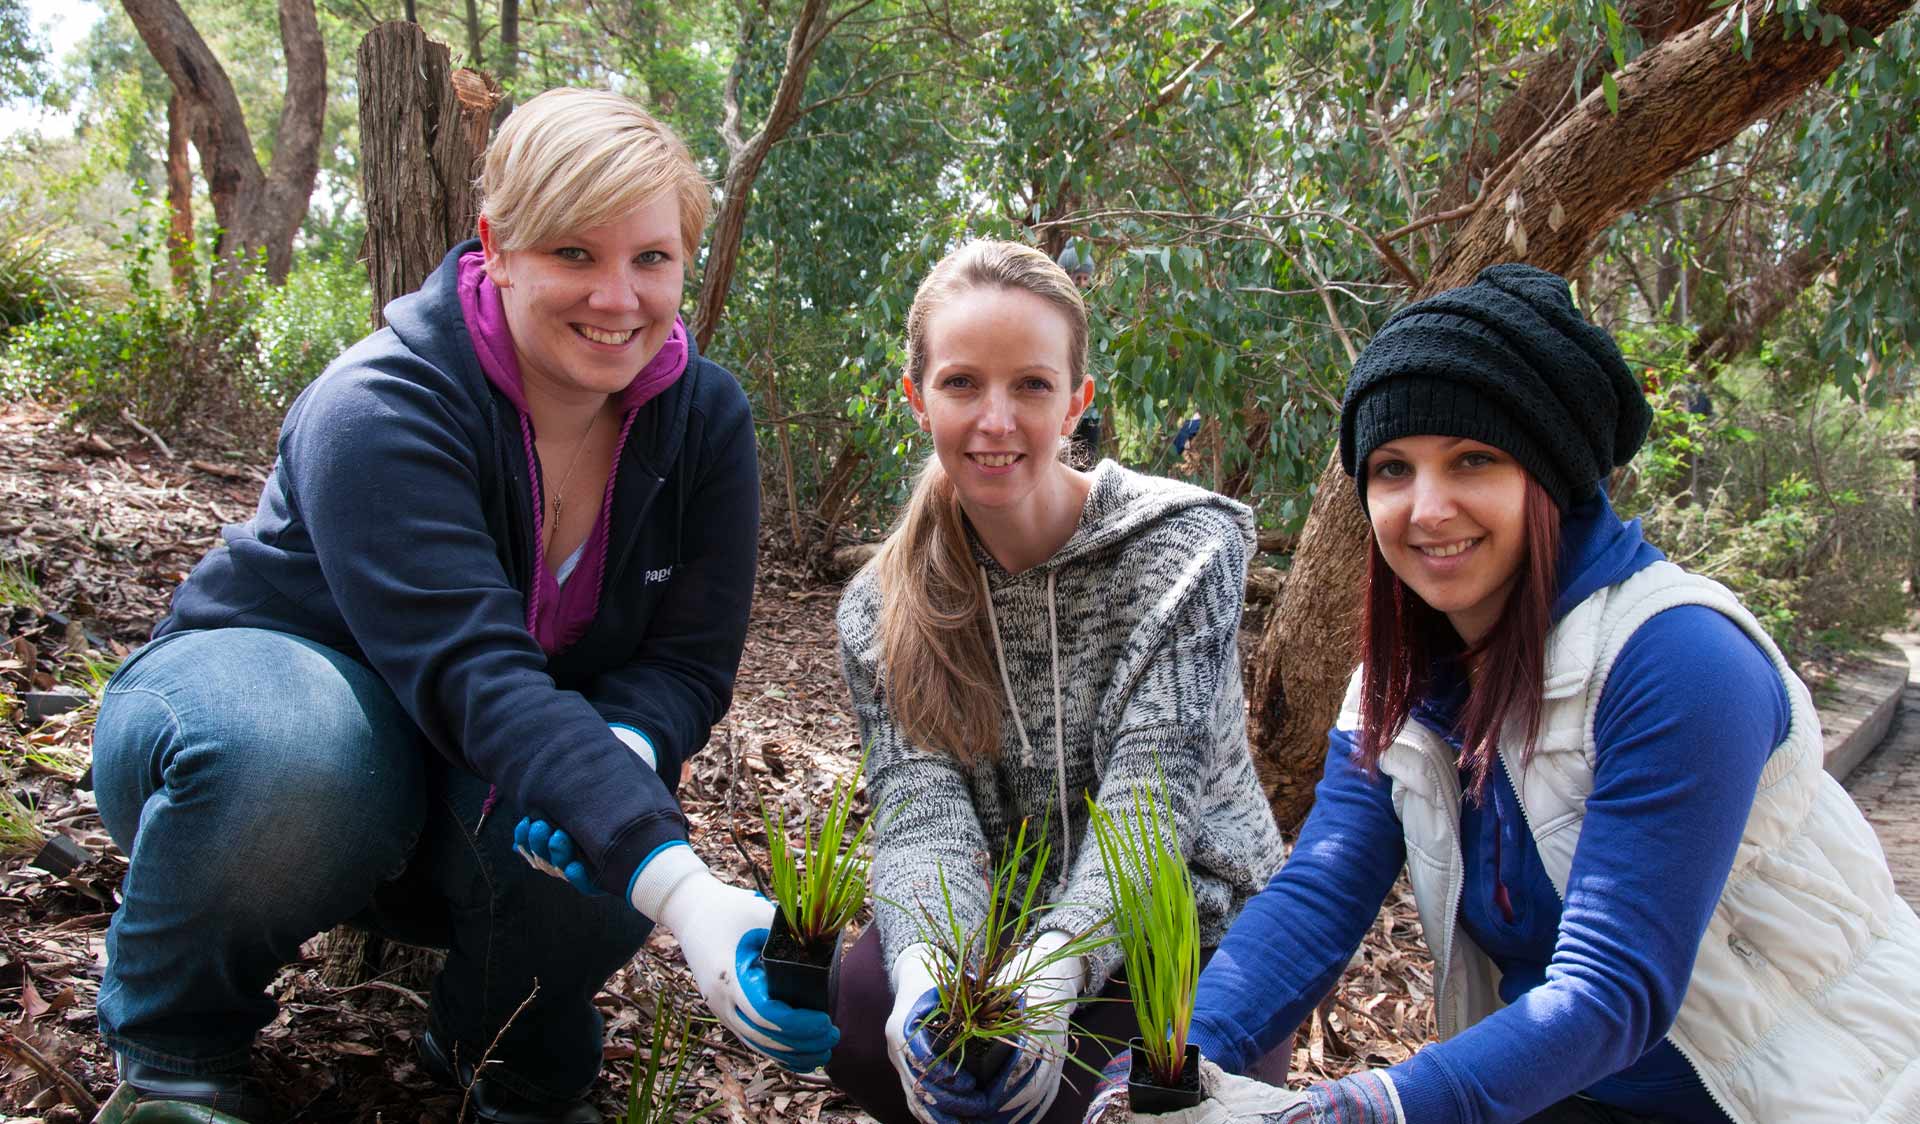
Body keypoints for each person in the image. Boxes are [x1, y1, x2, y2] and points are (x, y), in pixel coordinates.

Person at [89, 89, 835, 1124]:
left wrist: (625, 742)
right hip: (257, 730)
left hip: (471, 778)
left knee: (600, 792)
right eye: (575, 253)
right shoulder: (383, 405)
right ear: (498, 247)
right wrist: (683, 888)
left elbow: (687, 663)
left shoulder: (704, 417)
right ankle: (175, 1052)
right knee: (301, 754)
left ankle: (505, 1044)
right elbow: (475, 674)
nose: (618, 296)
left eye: (652, 258)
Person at [1083, 264, 1920, 1124]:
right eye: (1394, 469)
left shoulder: (1678, 658)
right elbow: (1318, 898)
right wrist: (1162, 1066)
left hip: (1810, 1094)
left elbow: (1611, 989)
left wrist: (1359, 1110)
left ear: (1548, 477)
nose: (1428, 507)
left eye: (1474, 460)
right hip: (1566, 1095)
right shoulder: (1401, 687)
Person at [826, 240, 1285, 1124]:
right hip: (1002, 906)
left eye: (1031, 386)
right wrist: (928, 975)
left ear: (1076, 402)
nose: (996, 421)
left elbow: (1150, 810)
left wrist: (1052, 979)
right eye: (962, 384)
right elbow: (920, 812)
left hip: (1189, 919)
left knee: (1096, 1103)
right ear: (917, 398)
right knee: (860, 1020)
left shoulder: (1185, 552)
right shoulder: (878, 607)